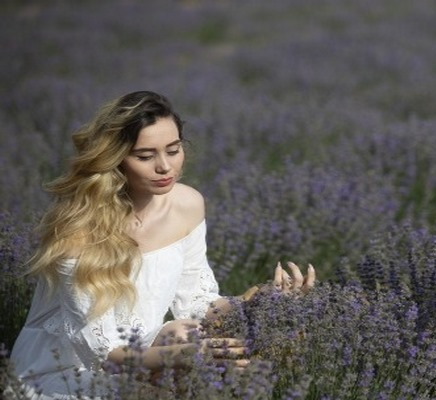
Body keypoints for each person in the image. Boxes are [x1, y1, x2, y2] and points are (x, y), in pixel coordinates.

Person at [8, 91, 315, 399]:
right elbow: (103, 356)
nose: (165, 167)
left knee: (188, 334)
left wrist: (262, 301)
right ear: (116, 160)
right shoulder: (79, 233)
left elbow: (197, 303)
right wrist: (182, 356)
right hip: (64, 369)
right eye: (145, 156)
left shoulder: (187, 204)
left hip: (144, 348)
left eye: (173, 149)